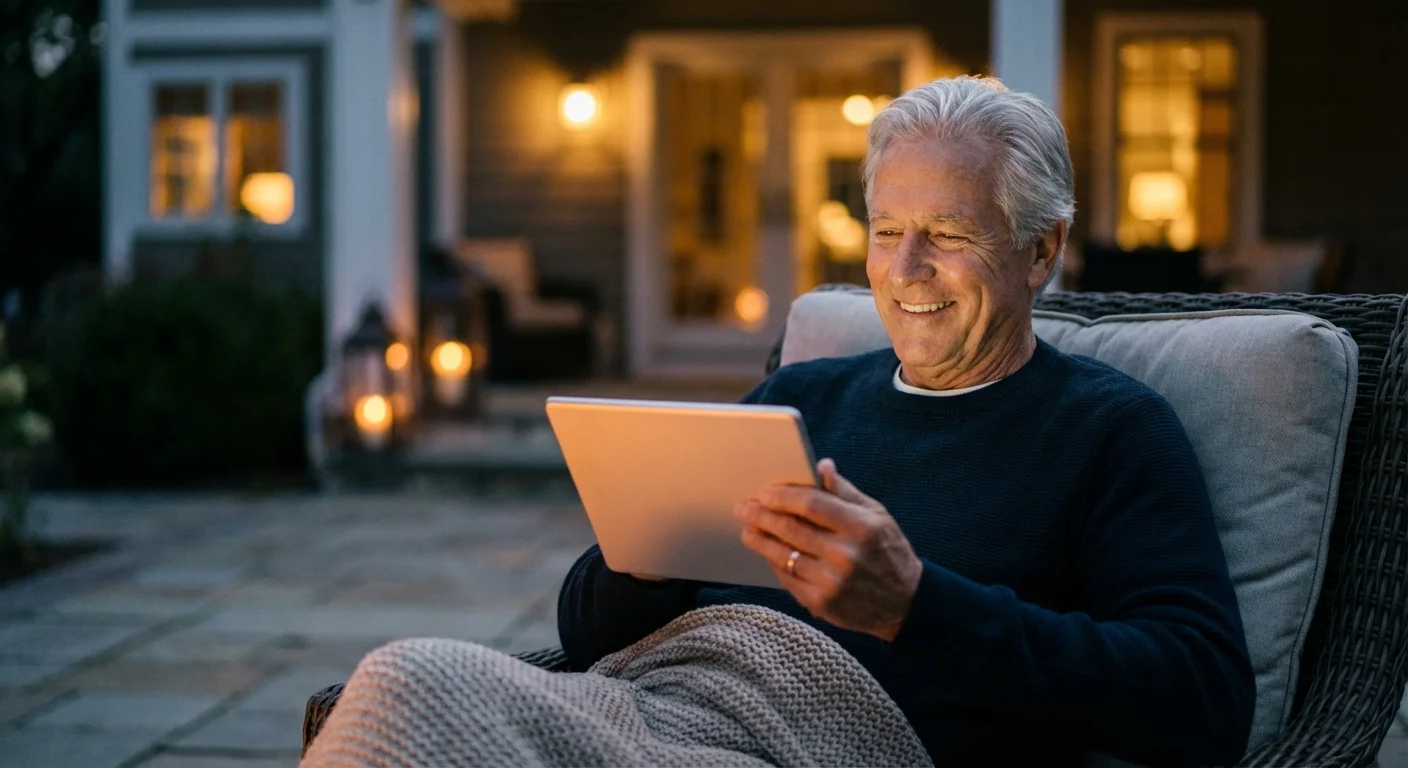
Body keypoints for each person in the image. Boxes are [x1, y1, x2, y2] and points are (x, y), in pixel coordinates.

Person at [557, 76, 1255, 767]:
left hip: (826, 742)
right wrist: (644, 559)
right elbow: (585, 636)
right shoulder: (799, 398)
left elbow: (1204, 702)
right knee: (446, 681)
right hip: (655, 706)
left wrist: (913, 607)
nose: (905, 269)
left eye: (947, 234)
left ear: (1040, 249)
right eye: (886, 232)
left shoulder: (1109, 432)